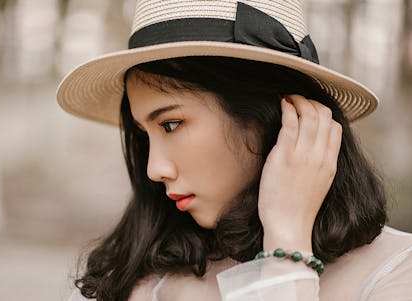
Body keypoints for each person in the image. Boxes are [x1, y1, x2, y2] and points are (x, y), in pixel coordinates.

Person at [57, 1, 412, 300]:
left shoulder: (395, 272)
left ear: (276, 114)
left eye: (170, 124)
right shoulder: (132, 276)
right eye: (145, 134)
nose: (154, 169)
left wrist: (286, 250)